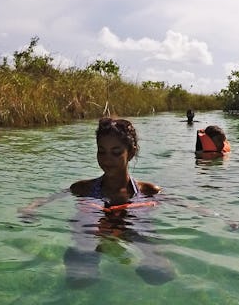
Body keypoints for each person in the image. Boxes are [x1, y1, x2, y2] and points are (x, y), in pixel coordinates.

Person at [19, 117, 174, 287]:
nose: (107, 159)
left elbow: (177, 202)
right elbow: (50, 198)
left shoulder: (148, 191)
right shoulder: (83, 188)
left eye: (115, 152)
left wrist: (202, 211)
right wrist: (30, 208)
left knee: (160, 273)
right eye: (102, 151)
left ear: (130, 152)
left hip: (132, 228)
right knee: (79, 277)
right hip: (92, 233)